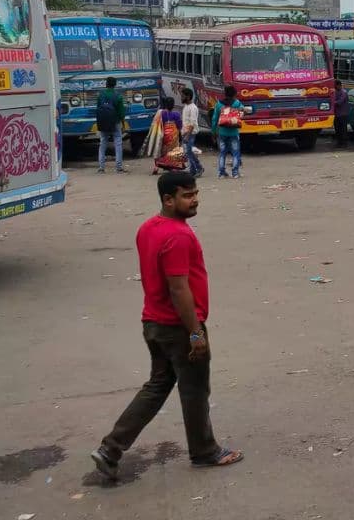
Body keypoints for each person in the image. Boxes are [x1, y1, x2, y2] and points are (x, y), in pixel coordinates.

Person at [90, 172, 243, 480]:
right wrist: (195, 332)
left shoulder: (148, 228)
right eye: (187, 195)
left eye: (196, 193)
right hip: (178, 327)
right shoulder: (179, 236)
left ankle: (110, 448)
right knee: (194, 389)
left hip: (154, 323)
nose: (195, 199)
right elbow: (178, 288)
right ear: (167, 199)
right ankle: (204, 451)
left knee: (157, 385)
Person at [96, 76, 127, 174]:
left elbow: (98, 109)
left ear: (106, 84)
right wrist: (123, 124)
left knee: (103, 143)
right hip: (115, 122)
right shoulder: (118, 96)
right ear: (115, 85)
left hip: (103, 122)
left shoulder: (100, 95)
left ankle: (101, 167)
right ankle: (119, 167)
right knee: (118, 143)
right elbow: (121, 113)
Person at [211, 85, 243, 179]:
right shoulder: (237, 103)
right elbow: (241, 113)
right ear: (234, 94)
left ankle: (221, 173)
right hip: (233, 132)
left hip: (222, 133)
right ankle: (235, 173)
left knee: (222, 153)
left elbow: (214, 119)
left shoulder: (219, 104)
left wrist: (213, 132)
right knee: (235, 153)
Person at [149, 97, 186, 175]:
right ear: (173, 105)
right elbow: (179, 125)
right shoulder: (176, 114)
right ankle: (172, 167)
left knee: (159, 150)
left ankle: (156, 166)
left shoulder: (160, 113)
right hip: (173, 135)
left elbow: (155, 123)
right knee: (173, 150)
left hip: (163, 134)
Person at [180, 88, 204, 177]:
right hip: (185, 133)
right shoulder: (186, 107)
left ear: (188, 96)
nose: (181, 98)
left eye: (182, 96)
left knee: (189, 152)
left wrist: (187, 135)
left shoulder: (193, 108)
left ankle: (199, 168)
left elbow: (192, 123)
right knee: (188, 152)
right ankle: (193, 170)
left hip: (190, 133)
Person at [333, 79, 349, 148]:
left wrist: (332, 102)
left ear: (339, 85)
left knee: (343, 130)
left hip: (343, 114)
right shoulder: (336, 92)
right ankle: (339, 143)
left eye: (335, 86)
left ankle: (344, 143)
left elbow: (339, 102)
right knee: (337, 129)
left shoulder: (344, 92)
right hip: (337, 114)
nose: (334, 87)